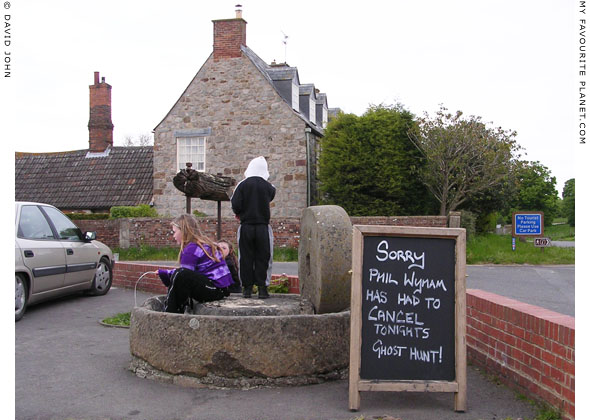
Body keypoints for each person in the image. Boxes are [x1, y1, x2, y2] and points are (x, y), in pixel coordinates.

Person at [158, 214, 233, 313]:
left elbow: (184, 277)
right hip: (220, 289)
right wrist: (165, 273)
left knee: (181, 275)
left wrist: (164, 274)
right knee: (180, 274)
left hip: (215, 290)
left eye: (174, 232)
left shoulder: (191, 249)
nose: (173, 236)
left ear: (183, 231)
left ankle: (170, 312)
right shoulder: (202, 244)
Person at [230, 156, 276, 299]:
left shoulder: (242, 185)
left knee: (246, 257)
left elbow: (235, 203)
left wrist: (239, 213)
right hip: (263, 226)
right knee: (264, 256)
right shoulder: (268, 187)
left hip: (246, 226)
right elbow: (272, 195)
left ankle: (247, 288)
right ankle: (263, 288)